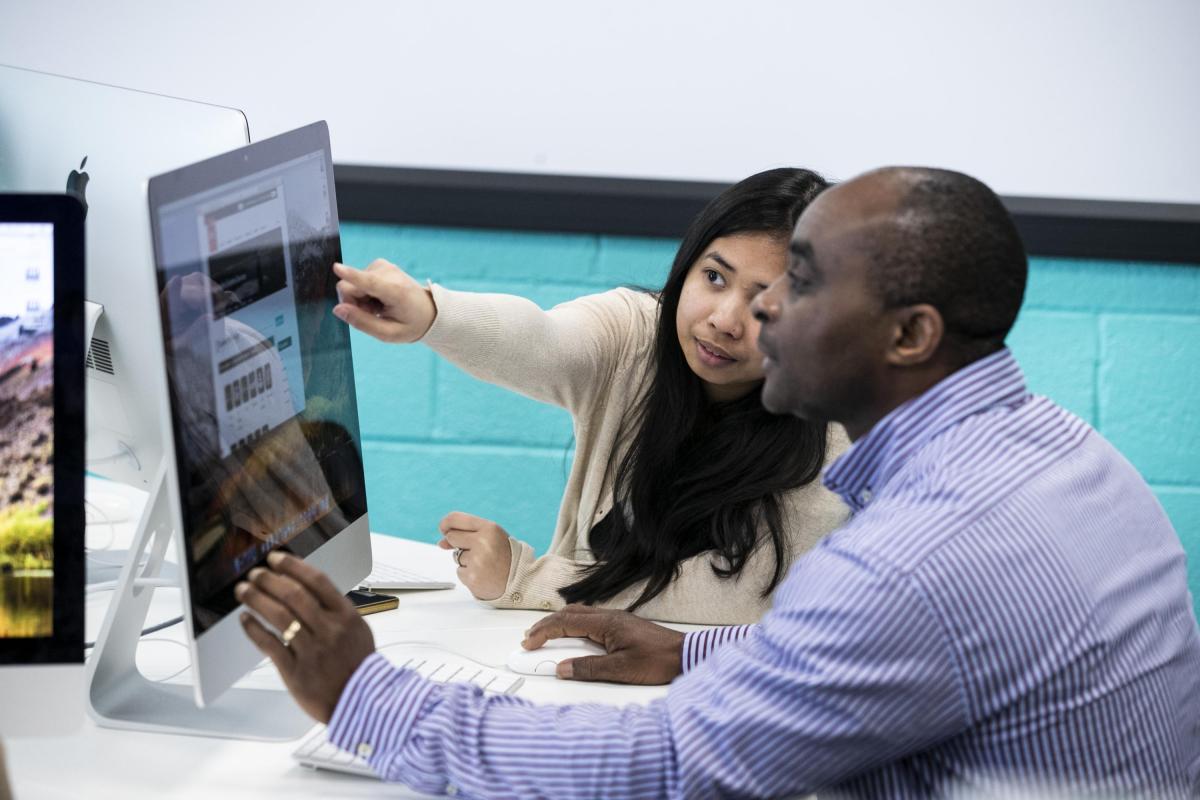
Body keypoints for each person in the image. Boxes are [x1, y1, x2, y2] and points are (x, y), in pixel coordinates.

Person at [236, 166, 1200, 797]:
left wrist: (367, 694)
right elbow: (871, 665)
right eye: (724, 278)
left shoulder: (909, 556)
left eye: (803, 282)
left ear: (909, 336)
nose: (760, 309)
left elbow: (666, 764)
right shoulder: (1063, 449)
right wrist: (692, 656)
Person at [330, 168, 849, 624]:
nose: (724, 320)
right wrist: (431, 315)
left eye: (765, 304)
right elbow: (542, 341)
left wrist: (527, 579)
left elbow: (740, 598)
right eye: (714, 277)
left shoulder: (835, 429)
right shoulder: (637, 330)